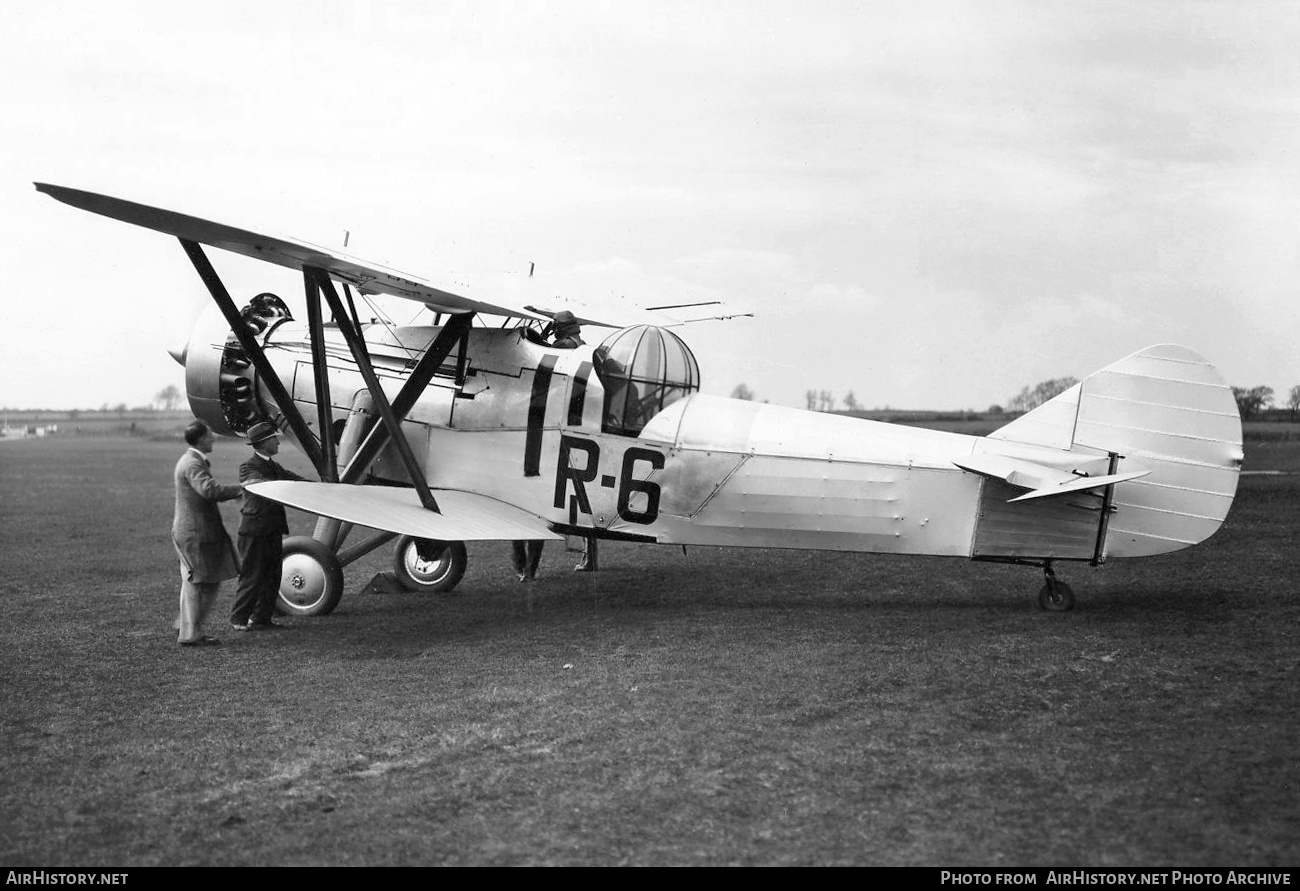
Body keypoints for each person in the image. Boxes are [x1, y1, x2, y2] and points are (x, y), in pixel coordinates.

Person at [172, 419, 243, 647]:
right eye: (210, 434)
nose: (213, 438)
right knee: (198, 582)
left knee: (200, 582)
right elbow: (208, 490)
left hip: (196, 531)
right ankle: (190, 633)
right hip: (195, 532)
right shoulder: (192, 463)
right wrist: (242, 488)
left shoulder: (192, 460)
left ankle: (187, 626)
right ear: (200, 439)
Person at [230, 420, 306, 631]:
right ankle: (238, 619)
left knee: (273, 575)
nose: (278, 442)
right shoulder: (248, 467)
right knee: (252, 576)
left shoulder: (273, 466)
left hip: (271, 529)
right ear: (264, 443)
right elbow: (263, 484)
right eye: (274, 438)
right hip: (254, 531)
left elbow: (292, 479)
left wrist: (317, 487)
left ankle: (262, 618)